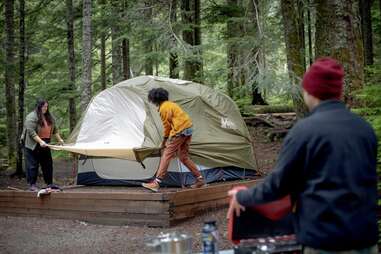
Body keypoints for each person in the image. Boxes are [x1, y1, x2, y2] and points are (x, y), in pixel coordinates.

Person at [227, 58, 378, 253]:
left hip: (324, 241)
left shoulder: (305, 131)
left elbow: (278, 186)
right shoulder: (363, 129)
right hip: (365, 240)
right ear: (338, 92)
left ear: (310, 91)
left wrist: (243, 195)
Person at [142, 88, 206, 192]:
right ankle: (200, 179)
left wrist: (165, 141)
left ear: (154, 99)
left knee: (166, 155)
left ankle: (156, 183)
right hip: (188, 129)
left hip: (180, 131)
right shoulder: (172, 104)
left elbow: (167, 127)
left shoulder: (163, 108)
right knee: (183, 157)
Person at [22, 98, 64, 191]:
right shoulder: (31, 117)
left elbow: (55, 129)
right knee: (33, 165)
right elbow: (31, 132)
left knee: (48, 164)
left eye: (46, 106)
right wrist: (40, 141)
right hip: (32, 144)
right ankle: (32, 185)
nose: (45, 108)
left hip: (46, 143)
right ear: (38, 106)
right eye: (44, 106)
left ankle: (49, 184)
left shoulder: (49, 116)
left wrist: (60, 139)